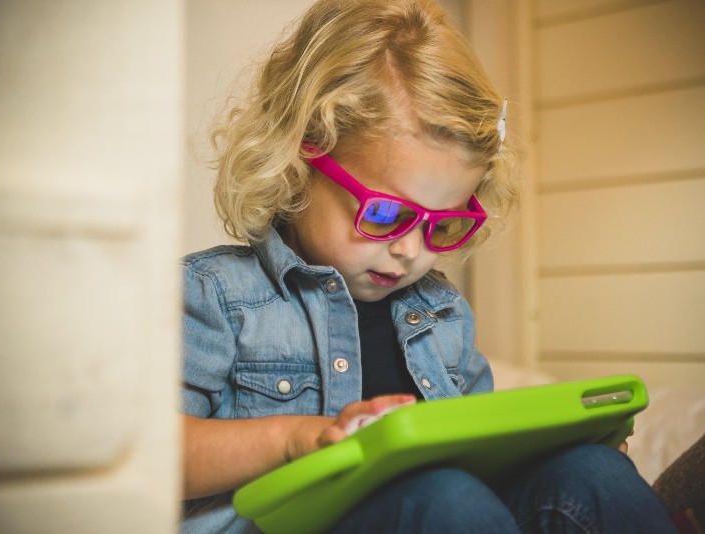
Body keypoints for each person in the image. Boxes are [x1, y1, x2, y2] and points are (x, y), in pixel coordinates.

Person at [180, 1, 676, 532]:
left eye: (443, 225)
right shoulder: (215, 296)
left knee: (594, 472)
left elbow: (481, 452)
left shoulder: (442, 316)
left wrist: (549, 443)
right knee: (444, 498)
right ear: (300, 164)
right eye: (388, 213)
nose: (413, 250)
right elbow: (153, 457)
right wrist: (293, 438)